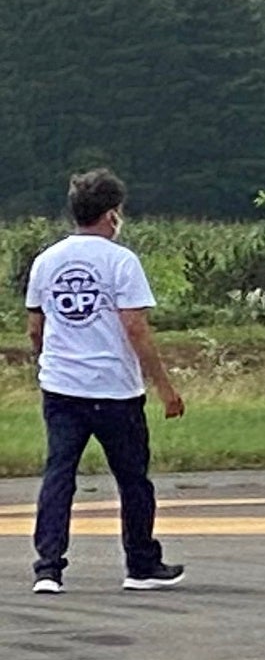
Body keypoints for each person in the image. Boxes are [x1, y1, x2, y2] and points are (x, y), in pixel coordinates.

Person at [24, 168, 185, 595]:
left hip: (62, 388)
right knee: (133, 479)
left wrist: (48, 364)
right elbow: (135, 327)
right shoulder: (121, 261)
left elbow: (35, 328)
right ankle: (140, 563)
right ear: (112, 215)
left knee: (59, 475)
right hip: (115, 389)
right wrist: (164, 387)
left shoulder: (47, 260)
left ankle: (48, 567)